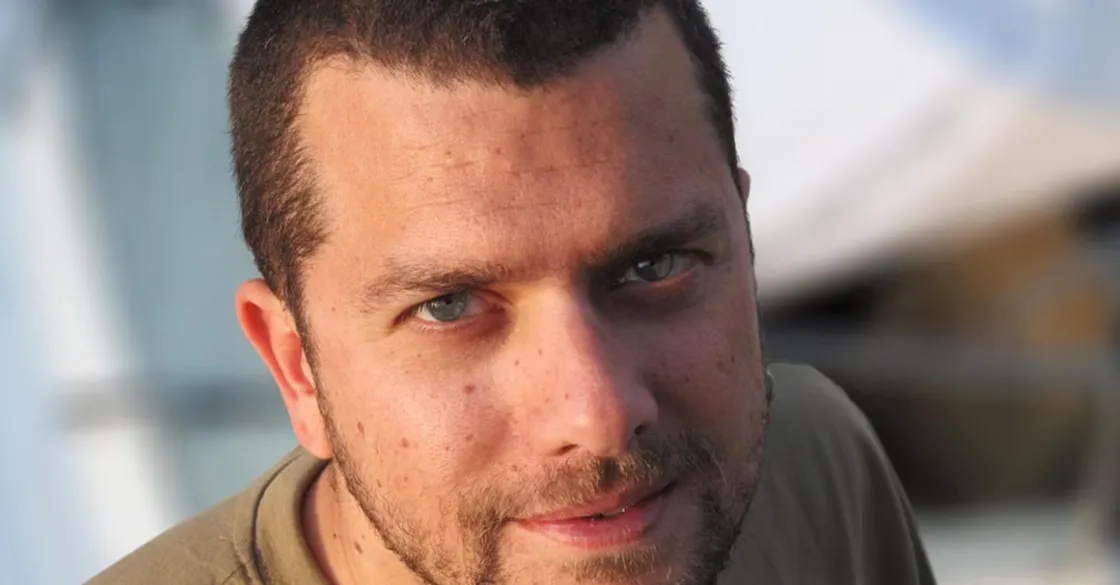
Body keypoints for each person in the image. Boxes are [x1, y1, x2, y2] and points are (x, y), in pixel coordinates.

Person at [89, 1, 935, 583]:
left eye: (656, 266)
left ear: (742, 245)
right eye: (449, 306)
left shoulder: (814, 466)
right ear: (295, 366)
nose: (597, 414)